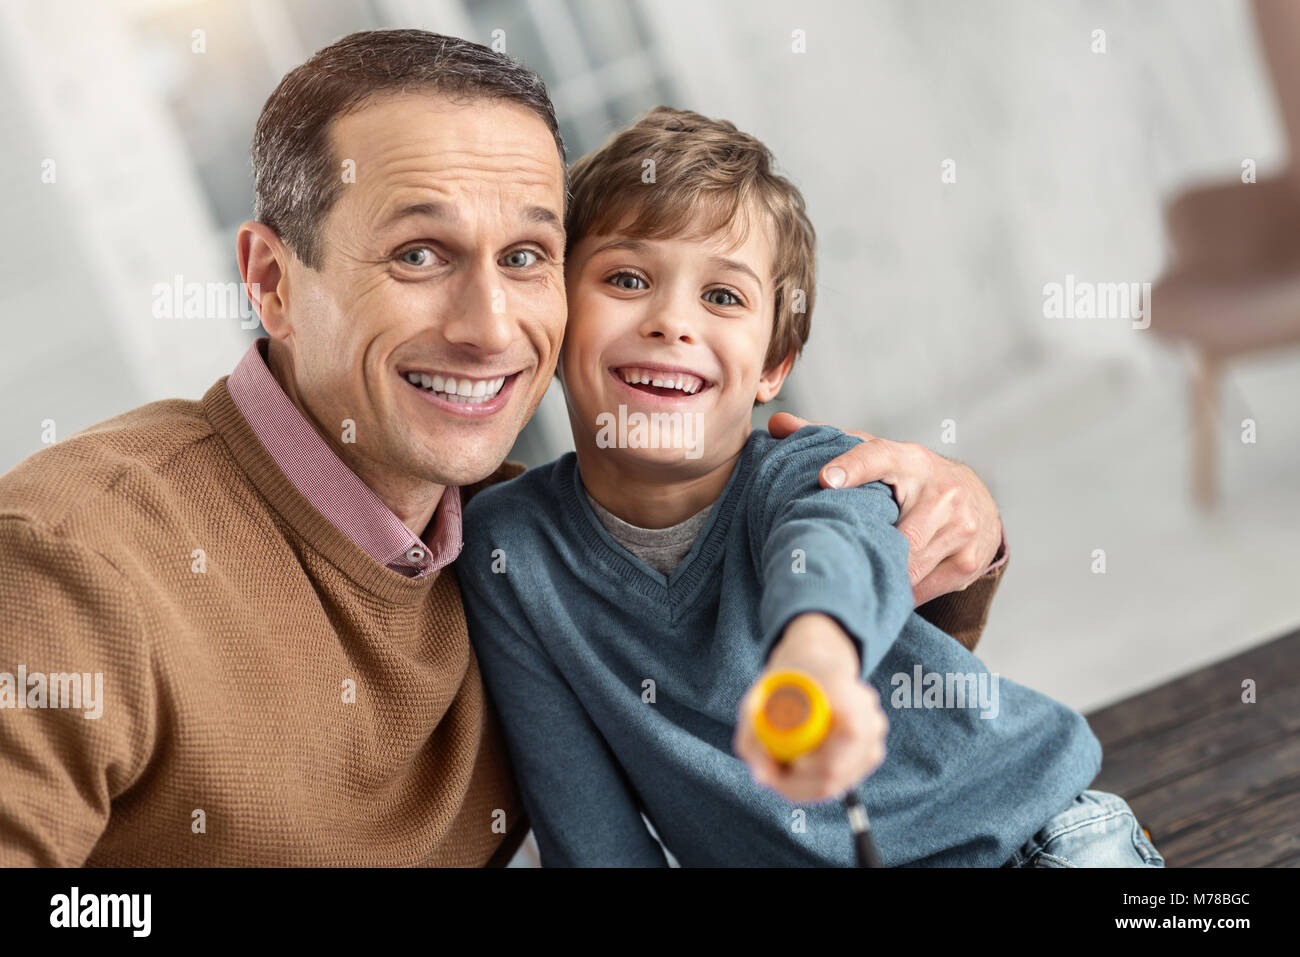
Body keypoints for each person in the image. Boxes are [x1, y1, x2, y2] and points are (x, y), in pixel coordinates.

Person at [0, 31, 1006, 866]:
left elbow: (782, 700)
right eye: (419, 254)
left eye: (526, 256)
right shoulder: (75, 556)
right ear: (271, 281)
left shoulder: (520, 549)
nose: (487, 327)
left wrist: (942, 523)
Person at [458, 107, 1164, 867]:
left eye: (723, 297)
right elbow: (589, 829)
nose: (670, 321)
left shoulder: (811, 468)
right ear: (558, 320)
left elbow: (836, 549)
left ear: (773, 363)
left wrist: (816, 659)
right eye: (628, 278)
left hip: (1028, 840)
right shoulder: (510, 549)